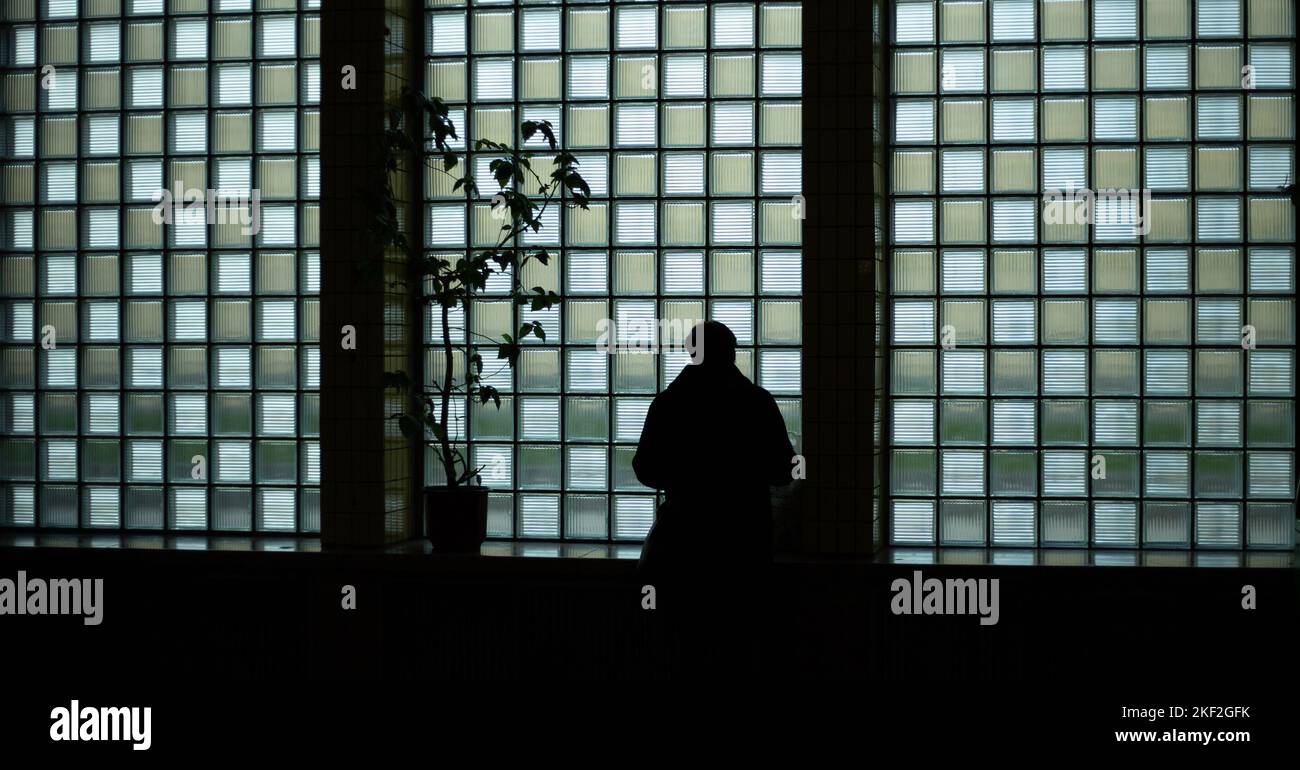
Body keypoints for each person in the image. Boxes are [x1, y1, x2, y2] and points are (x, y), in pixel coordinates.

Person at [632, 320, 797, 675]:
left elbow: (645, 468)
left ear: (692, 353)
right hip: (744, 541)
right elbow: (784, 470)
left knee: (681, 645)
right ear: (732, 354)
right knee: (738, 645)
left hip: (684, 541)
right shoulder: (756, 402)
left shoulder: (668, 404)